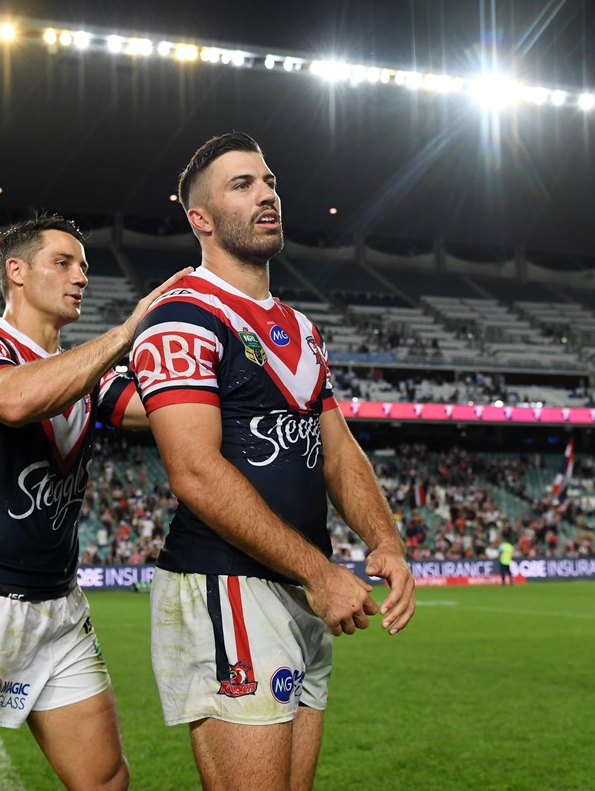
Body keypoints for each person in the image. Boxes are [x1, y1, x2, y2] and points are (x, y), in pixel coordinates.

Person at [129, 132, 416, 790]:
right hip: (226, 582)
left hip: (297, 588)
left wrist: (385, 539)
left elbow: (336, 446)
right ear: (199, 219)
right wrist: (321, 570)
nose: (267, 194)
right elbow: (195, 471)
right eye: (242, 184)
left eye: (269, 182)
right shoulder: (183, 317)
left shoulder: (301, 326)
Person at [0, 213, 189, 791]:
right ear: (17, 271)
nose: (81, 278)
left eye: (85, 267)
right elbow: (17, 399)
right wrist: (124, 333)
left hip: (60, 608)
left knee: (104, 780)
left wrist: (222, 359)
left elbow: (165, 411)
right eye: (64, 263)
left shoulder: (88, 373)